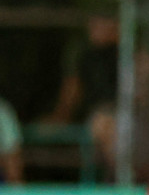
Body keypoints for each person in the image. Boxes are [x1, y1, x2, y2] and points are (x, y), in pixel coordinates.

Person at [46, 15, 119, 174]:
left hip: (133, 116)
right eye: (92, 23)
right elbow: (71, 93)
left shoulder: (129, 52)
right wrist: (60, 118)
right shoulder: (85, 55)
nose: (92, 28)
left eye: (99, 23)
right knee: (104, 124)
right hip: (100, 117)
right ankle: (118, 180)